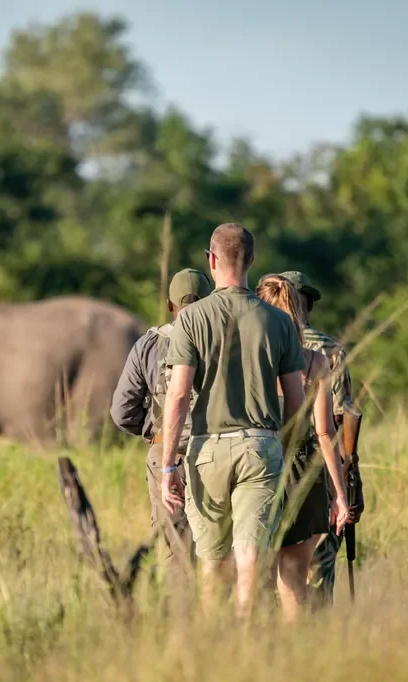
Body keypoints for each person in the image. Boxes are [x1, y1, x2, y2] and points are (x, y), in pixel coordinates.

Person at [158, 222, 312, 620]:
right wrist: (284, 447)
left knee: (211, 563)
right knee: (250, 557)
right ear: (252, 262)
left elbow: (177, 396)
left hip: (206, 447)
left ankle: (213, 643)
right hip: (261, 445)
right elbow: (296, 398)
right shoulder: (278, 322)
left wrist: (168, 465)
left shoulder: (192, 319)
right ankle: (247, 641)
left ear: (211, 260)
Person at [258, 270, 365, 608]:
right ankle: (309, 642)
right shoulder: (325, 352)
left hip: (255, 459)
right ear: (305, 306)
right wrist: (344, 486)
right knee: (307, 574)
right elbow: (335, 421)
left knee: (254, 571)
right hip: (308, 466)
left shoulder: (246, 348)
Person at [109, 268, 213, 575]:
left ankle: (178, 618)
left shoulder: (149, 344)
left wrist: (154, 431)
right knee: (220, 544)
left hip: (165, 453)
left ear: (170, 306)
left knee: (175, 549)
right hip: (217, 450)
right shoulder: (225, 340)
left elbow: (121, 411)